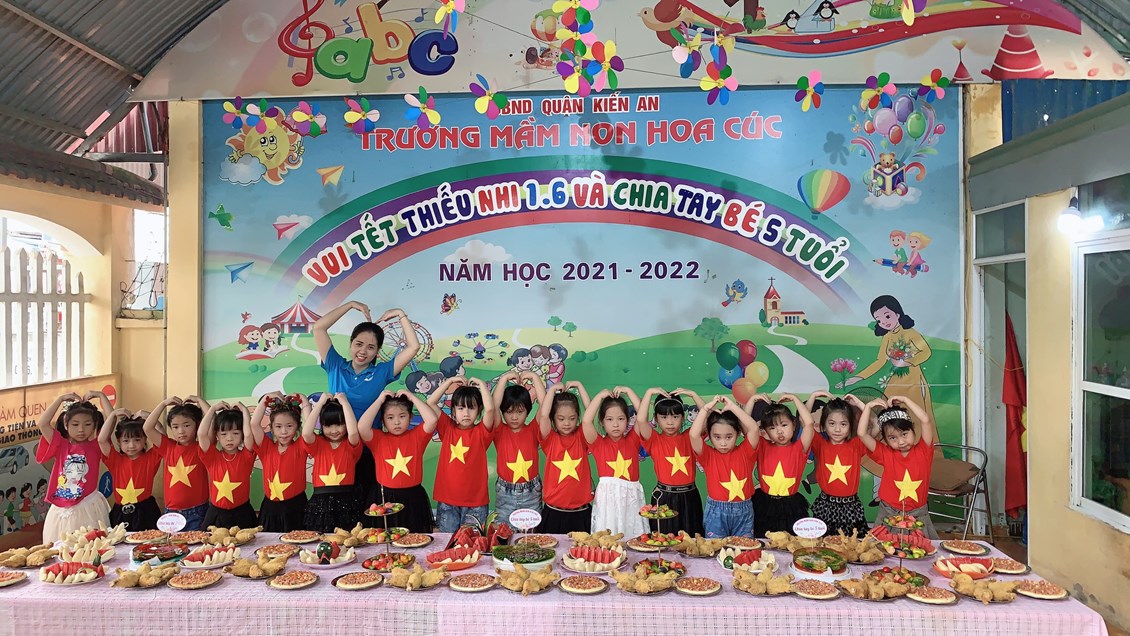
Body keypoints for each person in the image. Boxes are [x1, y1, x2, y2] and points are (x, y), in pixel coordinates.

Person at [313, 301, 420, 521]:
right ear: (351, 343)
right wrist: (350, 305)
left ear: (378, 351)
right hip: (337, 450)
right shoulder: (334, 365)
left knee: (369, 511)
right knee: (339, 512)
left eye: (371, 347)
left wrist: (400, 313)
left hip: (369, 451)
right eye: (359, 344)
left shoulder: (382, 372)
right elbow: (319, 328)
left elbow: (413, 347)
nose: (363, 351)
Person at [858, 396, 939, 538]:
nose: (901, 441)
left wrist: (906, 400)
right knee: (881, 548)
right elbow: (862, 433)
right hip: (888, 513)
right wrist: (868, 407)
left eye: (904, 434)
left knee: (919, 548)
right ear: (886, 439)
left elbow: (925, 420)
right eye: (893, 438)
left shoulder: (924, 450)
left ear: (913, 430)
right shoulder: (885, 453)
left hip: (917, 514)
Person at [358, 390, 439, 532]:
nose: (396, 422)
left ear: (410, 417)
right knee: (384, 537)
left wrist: (412, 397)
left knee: (414, 537)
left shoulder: (417, 436)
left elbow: (432, 420)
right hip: (384, 497)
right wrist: (379, 400)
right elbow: (362, 427)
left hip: (413, 497)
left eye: (402, 416)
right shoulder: (378, 439)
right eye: (390, 417)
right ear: (382, 420)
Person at [35, 392, 111, 543]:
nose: (81, 429)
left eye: (87, 424)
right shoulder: (60, 444)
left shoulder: (97, 445)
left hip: (88, 506)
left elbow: (111, 420)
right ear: (66, 424)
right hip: (61, 508)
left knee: (91, 547)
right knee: (59, 546)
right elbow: (43, 423)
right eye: (75, 424)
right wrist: (59, 399)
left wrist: (102, 396)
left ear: (95, 425)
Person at [633, 387, 706, 536]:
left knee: (691, 539)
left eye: (675, 416)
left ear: (683, 417)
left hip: (690, 496)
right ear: (656, 418)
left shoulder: (691, 437)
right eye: (664, 417)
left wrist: (693, 394)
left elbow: (707, 418)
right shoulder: (654, 439)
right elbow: (640, 420)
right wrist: (649, 393)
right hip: (663, 497)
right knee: (663, 540)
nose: (670, 422)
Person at [427, 376, 496, 533]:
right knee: (447, 542)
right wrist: (449, 382)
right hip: (447, 501)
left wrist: (481, 384)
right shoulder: (447, 428)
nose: (466, 413)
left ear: (479, 410)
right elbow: (431, 403)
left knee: (473, 543)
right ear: (453, 411)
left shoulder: (481, 432)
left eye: (471, 408)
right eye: (460, 408)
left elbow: (490, 409)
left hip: (476, 503)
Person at [689, 396, 759, 538]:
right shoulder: (707, 455)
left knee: (744, 549)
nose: (723, 443)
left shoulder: (746, 451)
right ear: (709, 436)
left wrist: (733, 407)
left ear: (738, 434)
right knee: (714, 549)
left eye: (728, 437)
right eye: (717, 437)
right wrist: (705, 409)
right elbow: (693, 435)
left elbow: (753, 429)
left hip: (744, 510)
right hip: (716, 512)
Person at [582, 387, 649, 536]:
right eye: (610, 419)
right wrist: (599, 396)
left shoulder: (633, 440)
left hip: (631, 500)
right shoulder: (598, 443)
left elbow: (642, 415)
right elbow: (586, 421)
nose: (616, 424)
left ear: (628, 420)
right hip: (608, 502)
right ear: (602, 421)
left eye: (621, 419)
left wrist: (628, 391)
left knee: (634, 537)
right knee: (608, 539)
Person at [750, 394, 816, 537]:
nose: (779, 431)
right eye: (772, 428)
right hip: (765, 503)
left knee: (791, 542)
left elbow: (809, 423)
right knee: (763, 541)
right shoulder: (762, 445)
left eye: (784, 425)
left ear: (794, 425)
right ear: (765, 431)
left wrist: (795, 399)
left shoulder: (799, 448)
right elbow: (748, 427)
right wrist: (752, 400)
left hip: (790, 505)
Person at [807, 392, 872, 536]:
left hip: (851, 507)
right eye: (832, 424)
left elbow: (875, 427)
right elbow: (805, 422)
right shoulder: (820, 444)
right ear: (823, 425)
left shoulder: (857, 444)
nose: (837, 429)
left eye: (843, 424)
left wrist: (861, 405)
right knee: (822, 545)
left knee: (853, 545)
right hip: (825, 505)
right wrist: (813, 396)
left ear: (851, 426)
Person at [143, 396, 211, 530]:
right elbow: (147, 428)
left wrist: (200, 401)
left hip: (197, 512)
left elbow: (212, 421)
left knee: (197, 544)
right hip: (171, 514)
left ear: (198, 425)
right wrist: (163, 404)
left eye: (186, 425)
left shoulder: (202, 447)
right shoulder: (168, 446)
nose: (181, 431)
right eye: (175, 427)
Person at [490, 371, 545, 529]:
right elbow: (493, 407)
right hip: (505, 492)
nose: (514, 417)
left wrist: (535, 377)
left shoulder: (533, 429)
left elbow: (545, 406)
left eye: (520, 412)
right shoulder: (499, 430)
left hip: (531, 491)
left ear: (528, 411)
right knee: (503, 532)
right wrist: (504, 379)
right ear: (503, 412)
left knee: (531, 534)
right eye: (509, 412)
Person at [535, 383, 593, 533]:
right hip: (553, 511)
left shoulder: (581, 436)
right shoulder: (550, 439)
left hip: (581, 512)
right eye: (561, 419)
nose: (566, 423)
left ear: (578, 418)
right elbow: (543, 416)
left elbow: (590, 415)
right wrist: (552, 390)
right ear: (553, 419)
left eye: (572, 418)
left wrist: (580, 386)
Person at [302, 393, 363, 533]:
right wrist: (320, 404)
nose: (334, 430)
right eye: (328, 426)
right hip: (320, 502)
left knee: (347, 539)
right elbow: (306, 433)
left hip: (347, 501)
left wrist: (345, 403)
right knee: (320, 539)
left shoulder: (351, 445)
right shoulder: (318, 444)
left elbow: (353, 433)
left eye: (339, 424)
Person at [249, 393, 310, 532]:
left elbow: (309, 427)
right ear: (271, 427)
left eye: (289, 426)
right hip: (270, 508)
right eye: (278, 426)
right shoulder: (266, 447)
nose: (284, 432)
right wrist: (265, 399)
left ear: (298, 426)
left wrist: (304, 401)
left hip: (296, 507)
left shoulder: (301, 446)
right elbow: (254, 424)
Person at [99, 408, 162, 531]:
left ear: (145, 439)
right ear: (119, 441)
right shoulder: (115, 460)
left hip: (145, 510)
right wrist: (112, 415)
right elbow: (102, 439)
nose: (131, 445)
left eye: (137, 440)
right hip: (120, 511)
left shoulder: (151, 457)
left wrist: (149, 416)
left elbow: (162, 435)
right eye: (126, 441)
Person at [198, 401, 258, 529]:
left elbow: (249, 434)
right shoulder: (212, 457)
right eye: (224, 434)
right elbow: (201, 434)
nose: (229, 438)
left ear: (242, 435)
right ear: (217, 435)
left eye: (235, 433)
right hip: (216, 513)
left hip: (242, 512)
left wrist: (245, 411)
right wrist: (212, 409)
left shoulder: (246, 456)